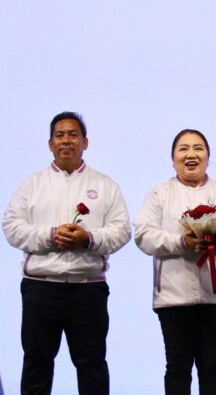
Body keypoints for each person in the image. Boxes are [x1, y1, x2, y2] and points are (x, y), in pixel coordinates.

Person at [2, 111, 131, 395]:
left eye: (73, 135)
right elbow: (11, 228)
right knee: (36, 363)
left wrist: (89, 239)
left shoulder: (105, 185)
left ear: (85, 142)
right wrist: (50, 235)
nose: (66, 141)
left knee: (92, 365)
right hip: (40, 288)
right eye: (59, 135)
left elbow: (122, 231)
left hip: (88, 289)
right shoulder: (31, 185)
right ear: (50, 144)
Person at [134, 129, 216, 395]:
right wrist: (182, 242)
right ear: (173, 158)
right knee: (178, 367)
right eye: (183, 149)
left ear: (208, 156)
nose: (191, 154)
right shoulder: (159, 194)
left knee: (212, 366)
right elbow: (143, 236)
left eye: (198, 148)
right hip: (173, 296)